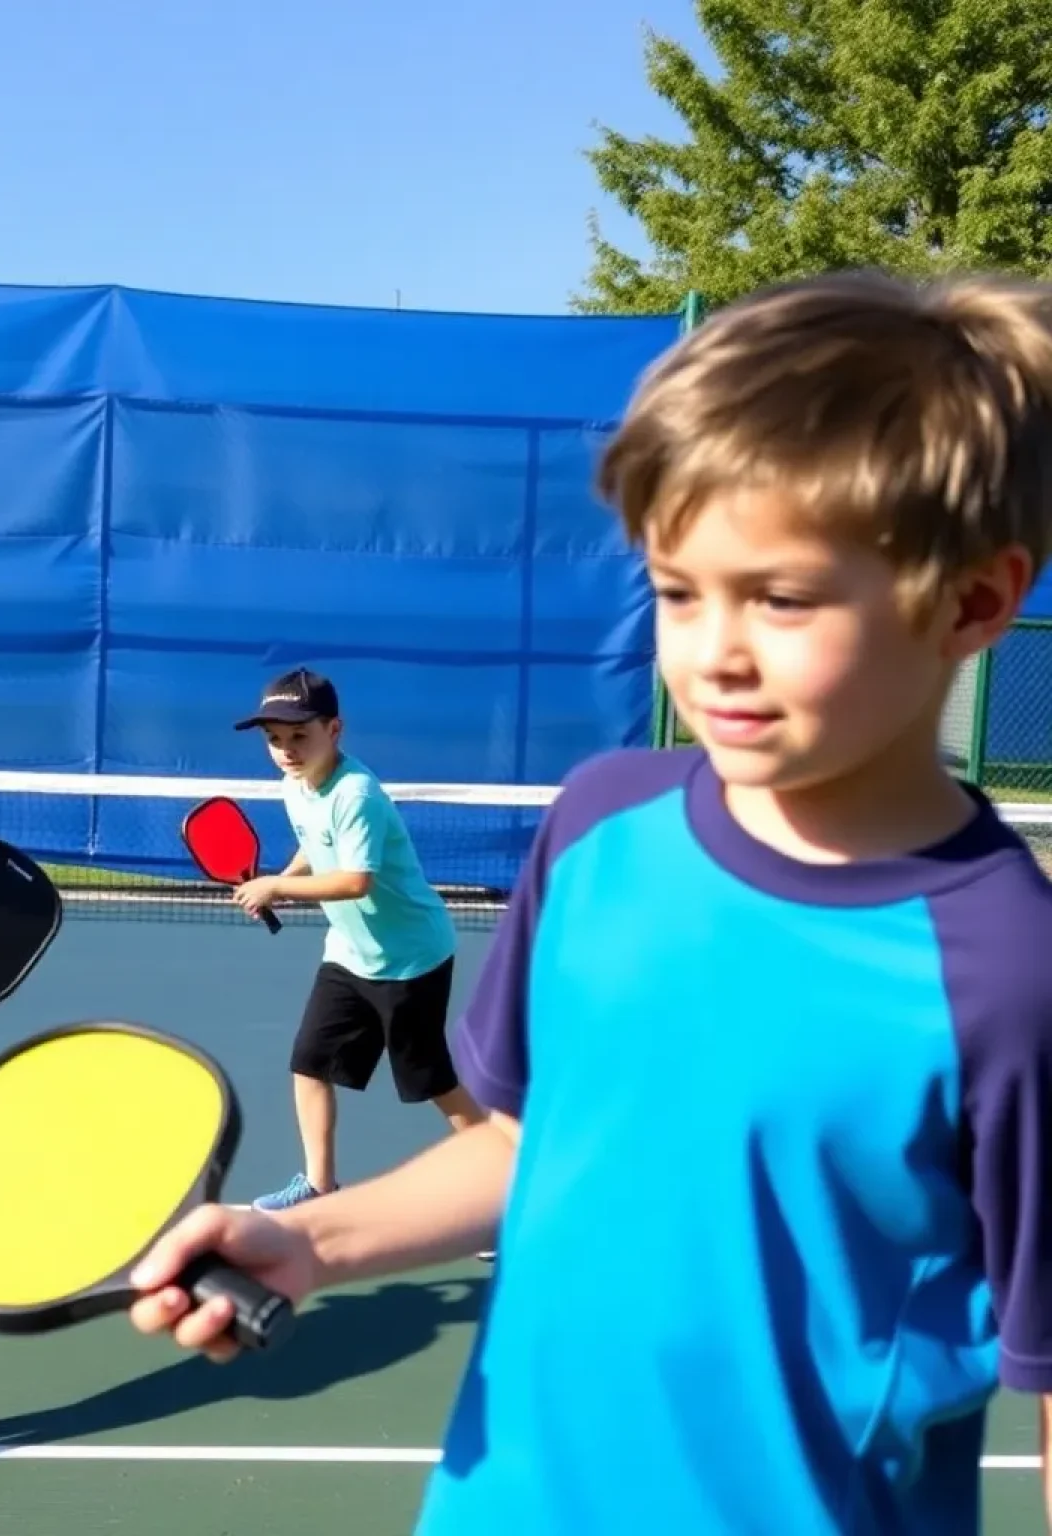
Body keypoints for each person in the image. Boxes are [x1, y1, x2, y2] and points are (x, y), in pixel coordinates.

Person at [128, 271, 1052, 1534]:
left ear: (974, 602)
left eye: (780, 597)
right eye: (680, 590)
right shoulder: (603, 825)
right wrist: (316, 1245)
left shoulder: (1011, 974)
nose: (714, 651)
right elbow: (519, 1145)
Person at [231, 668, 486, 1213]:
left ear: (335, 729)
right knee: (309, 1062)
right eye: (275, 739)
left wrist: (277, 885)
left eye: (300, 736)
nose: (286, 750)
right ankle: (320, 1185)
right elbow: (314, 846)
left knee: (432, 1083)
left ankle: (504, 1186)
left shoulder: (356, 794)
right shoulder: (294, 787)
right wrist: (284, 878)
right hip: (350, 955)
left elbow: (355, 880)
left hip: (410, 959)